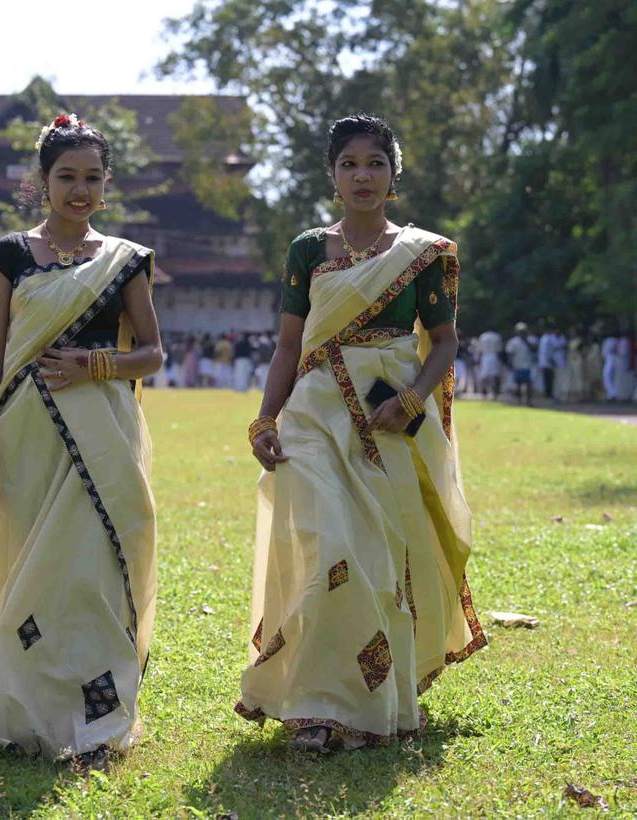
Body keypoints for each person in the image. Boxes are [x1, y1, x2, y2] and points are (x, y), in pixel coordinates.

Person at [0, 114, 162, 768]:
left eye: (91, 178)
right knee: (29, 566)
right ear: (43, 182)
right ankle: (21, 707)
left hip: (105, 430)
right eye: (66, 177)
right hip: (23, 431)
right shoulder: (9, 255)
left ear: (106, 186)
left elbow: (152, 354)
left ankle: (97, 716)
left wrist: (96, 365)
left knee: (92, 570)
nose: (78, 190)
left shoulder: (125, 261)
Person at [240, 114, 485, 752]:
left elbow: (446, 342)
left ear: (393, 177)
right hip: (315, 413)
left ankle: (370, 700)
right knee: (328, 551)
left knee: (378, 562)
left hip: (390, 421)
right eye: (349, 163)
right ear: (333, 176)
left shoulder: (422, 253)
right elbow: (289, 345)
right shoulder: (307, 250)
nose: (362, 175)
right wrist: (266, 418)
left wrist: (410, 398)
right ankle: (318, 704)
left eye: (375, 163)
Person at [505, 322, 535, 406]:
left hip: (528, 365)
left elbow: (534, 349)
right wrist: (510, 364)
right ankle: (519, 401)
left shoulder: (530, 340)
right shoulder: (513, 342)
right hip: (517, 365)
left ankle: (528, 402)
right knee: (518, 384)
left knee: (528, 384)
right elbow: (509, 353)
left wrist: (526, 342)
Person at [476, 328, 503, 398]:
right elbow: (500, 349)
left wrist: (478, 359)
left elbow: (479, 349)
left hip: (485, 356)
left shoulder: (483, 336)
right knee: (495, 375)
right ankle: (495, 391)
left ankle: (484, 390)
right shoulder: (496, 336)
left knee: (484, 375)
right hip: (494, 356)